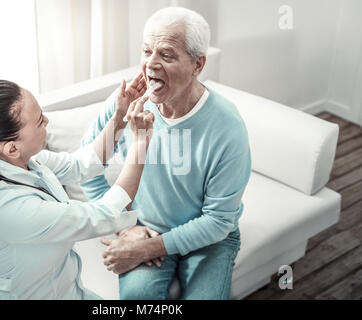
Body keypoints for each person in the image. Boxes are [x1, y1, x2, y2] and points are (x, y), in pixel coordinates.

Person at [80, 7, 252, 300]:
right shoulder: (125, 104)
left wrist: (150, 248)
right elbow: (88, 172)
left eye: (166, 55)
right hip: (144, 227)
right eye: (147, 51)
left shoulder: (227, 126)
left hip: (209, 240)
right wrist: (125, 227)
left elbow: (219, 220)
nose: (150, 65)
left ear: (198, 65)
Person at [0, 74, 155, 300]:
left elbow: (82, 164)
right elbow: (106, 214)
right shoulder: (7, 208)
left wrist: (120, 117)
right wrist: (140, 143)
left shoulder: (22, 160)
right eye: (40, 120)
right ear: (11, 148)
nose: (47, 121)